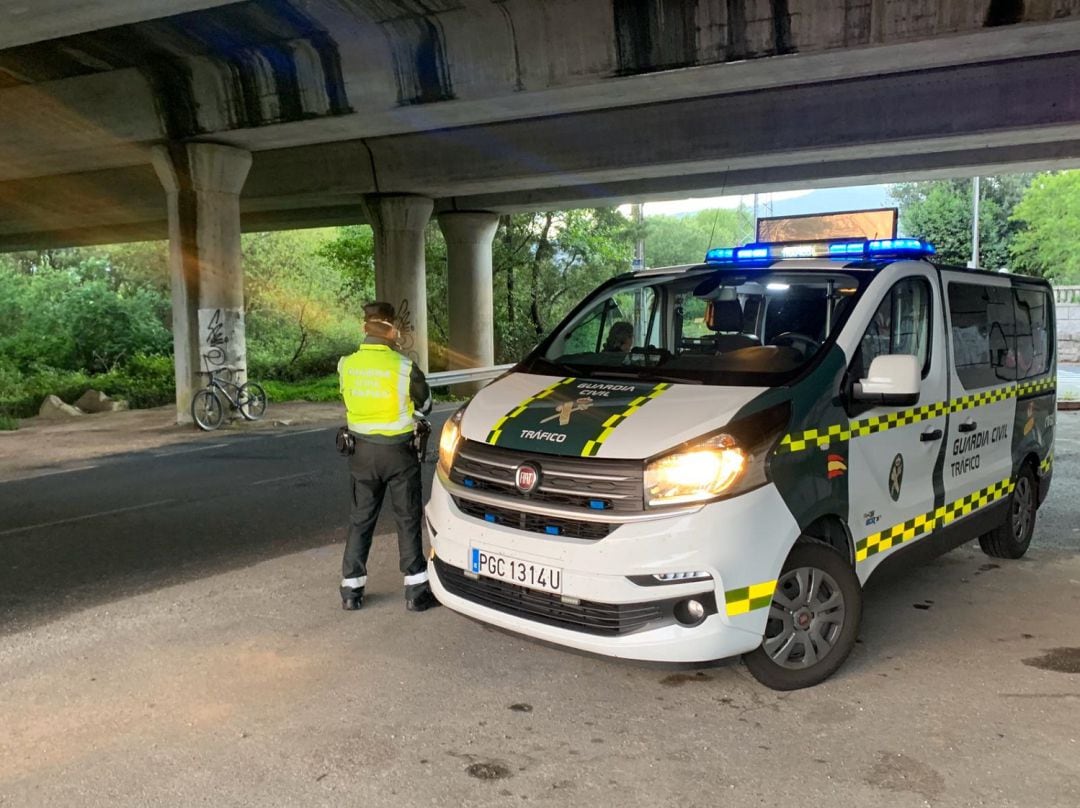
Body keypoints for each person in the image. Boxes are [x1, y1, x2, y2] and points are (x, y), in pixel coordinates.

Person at [337, 301, 437, 613]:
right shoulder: (404, 367)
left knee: (360, 519)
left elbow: (348, 398)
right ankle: (416, 591)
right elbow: (427, 405)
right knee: (407, 518)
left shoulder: (346, 365)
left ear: (365, 327)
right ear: (391, 329)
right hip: (398, 454)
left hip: (361, 453)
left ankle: (351, 590)